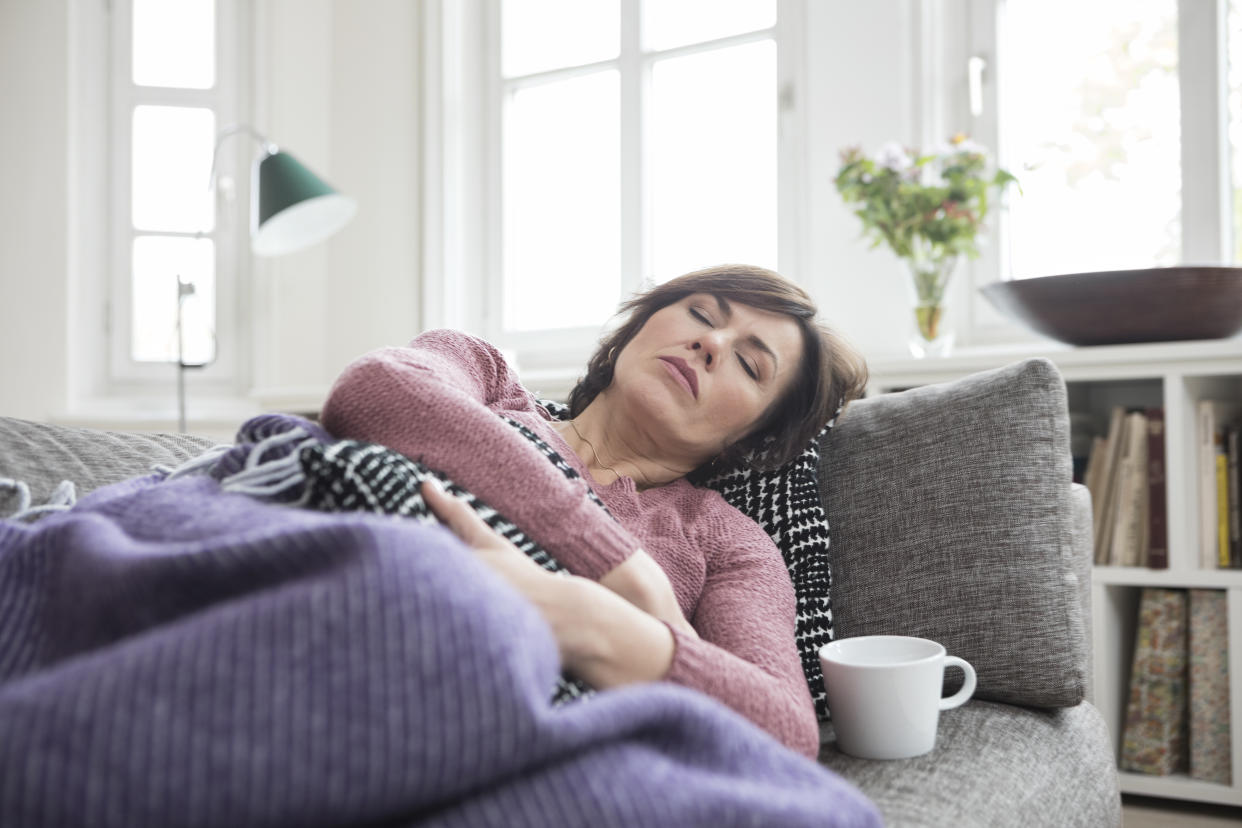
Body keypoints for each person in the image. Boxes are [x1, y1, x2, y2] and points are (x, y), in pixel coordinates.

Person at [320, 263, 868, 760]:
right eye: (701, 313)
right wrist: (621, 569)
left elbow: (785, 731)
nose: (711, 341)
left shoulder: (726, 541)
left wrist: (585, 619)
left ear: (751, 439)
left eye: (750, 364)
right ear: (637, 328)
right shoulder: (487, 379)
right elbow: (373, 392)